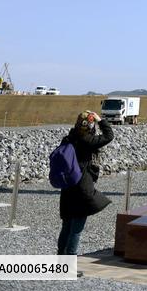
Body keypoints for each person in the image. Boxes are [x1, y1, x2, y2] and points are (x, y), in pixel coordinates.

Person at [57, 110, 114, 257]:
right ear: (90, 125)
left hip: (67, 187)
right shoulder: (87, 141)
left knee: (67, 226)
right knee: (76, 229)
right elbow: (109, 135)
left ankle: (60, 261)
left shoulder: (68, 138)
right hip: (82, 188)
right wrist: (100, 120)